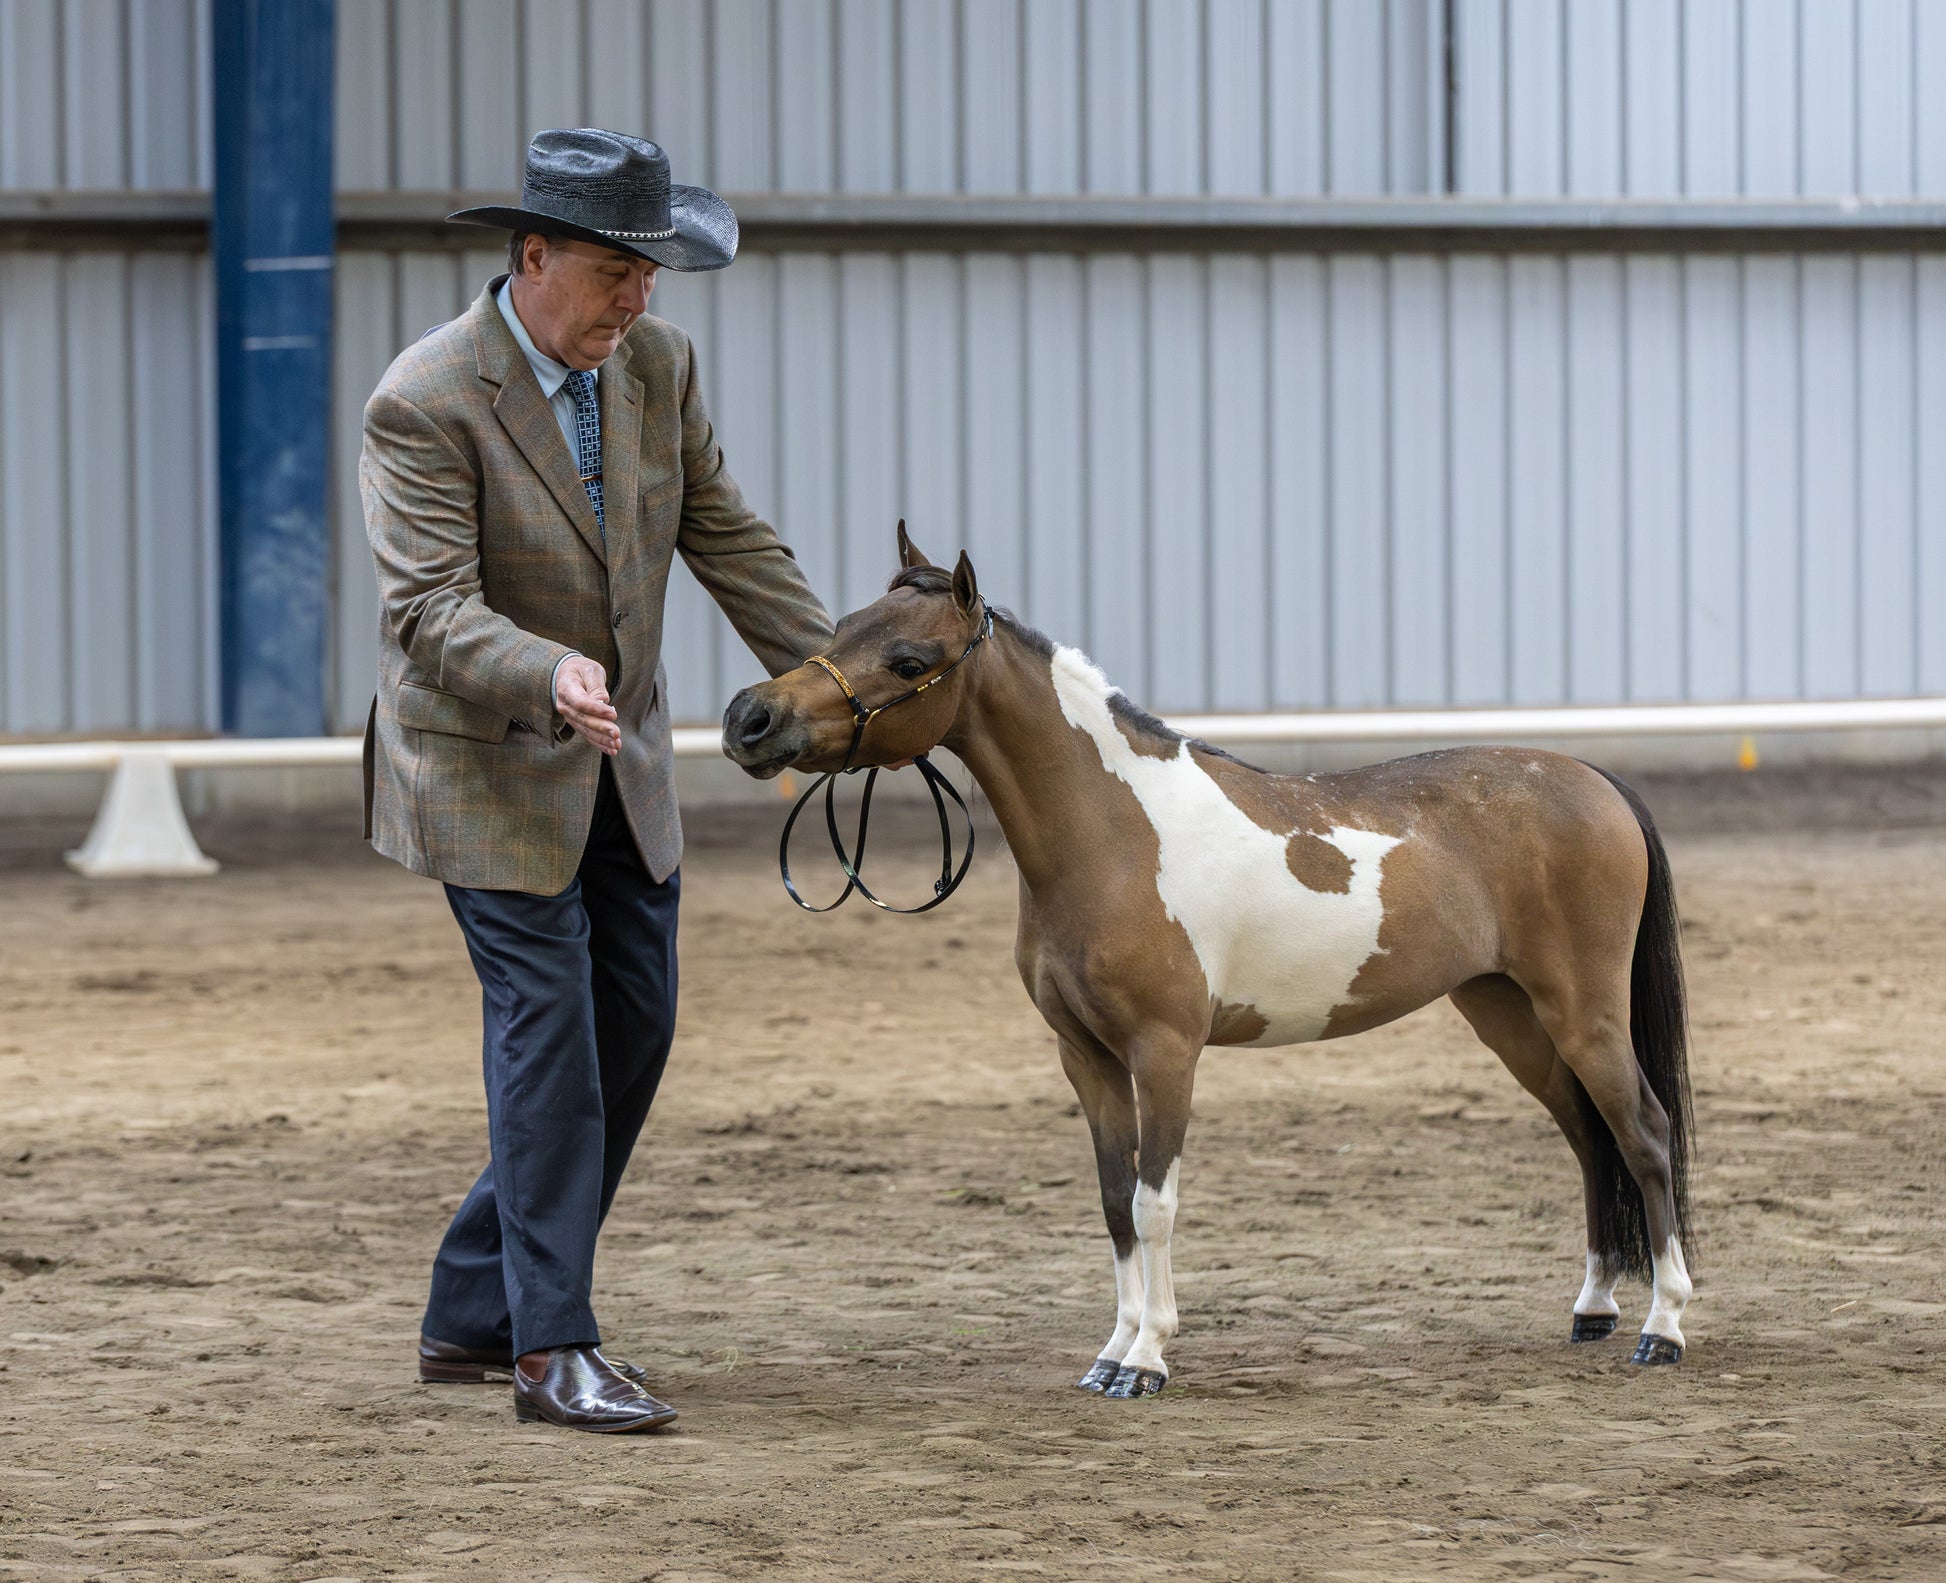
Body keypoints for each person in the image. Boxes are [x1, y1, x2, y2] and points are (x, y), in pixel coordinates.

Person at [359, 128, 833, 1433]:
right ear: (532, 255)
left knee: (636, 1027)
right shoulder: (424, 399)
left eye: (654, 271)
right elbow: (425, 610)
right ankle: (545, 1346)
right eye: (619, 270)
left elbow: (726, 533)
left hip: (625, 773)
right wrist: (547, 671)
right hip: (489, 768)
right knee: (551, 1041)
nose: (642, 298)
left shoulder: (655, 370)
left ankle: (468, 1308)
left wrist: (832, 682)